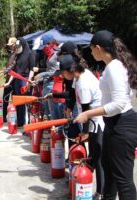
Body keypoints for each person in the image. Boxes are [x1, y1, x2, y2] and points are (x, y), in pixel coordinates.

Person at [74, 30, 137, 200]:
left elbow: (118, 104)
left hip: (121, 126)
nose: (91, 52)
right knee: (110, 175)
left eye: (92, 49)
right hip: (114, 125)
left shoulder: (114, 67)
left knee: (123, 180)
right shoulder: (114, 66)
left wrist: (88, 113)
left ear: (99, 48)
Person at [58, 54, 105, 199]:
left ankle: (101, 192)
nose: (62, 76)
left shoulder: (83, 83)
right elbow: (73, 97)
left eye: (62, 73)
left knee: (97, 159)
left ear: (69, 70)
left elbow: (86, 111)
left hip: (96, 124)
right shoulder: (78, 77)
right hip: (90, 122)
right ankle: (85, 184)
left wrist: (85, 133)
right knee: (93, 157)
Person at [4, 38, 35, 128]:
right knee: (18, 102)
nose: (17, 48)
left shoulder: (30, 54)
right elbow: (15, 71)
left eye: (18, 46)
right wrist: (9, 82)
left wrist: (28, 81)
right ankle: (21, 122)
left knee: (25, 103)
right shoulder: (18, 55)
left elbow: (32, 69)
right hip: (17, 80)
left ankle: (27, 123)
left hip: (24, 80)